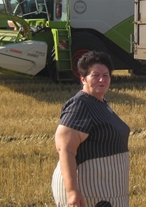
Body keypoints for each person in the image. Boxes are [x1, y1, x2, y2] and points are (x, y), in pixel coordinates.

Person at [52, 51, 130, 207]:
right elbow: (65, 148)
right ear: (83, 79)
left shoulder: (100, 104)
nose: (102, 79)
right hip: (88, 192)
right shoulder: (80, 105)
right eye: (95, 75)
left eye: (106, 75)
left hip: (104, 190)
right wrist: (72, 191)